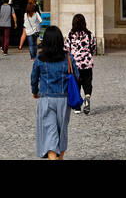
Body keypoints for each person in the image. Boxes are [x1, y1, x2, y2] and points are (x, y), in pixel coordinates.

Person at [30, 26, 72, 160]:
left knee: (50, 133)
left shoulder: (40, 58)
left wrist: (34, 91)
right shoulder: (67, 57)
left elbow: (34, 77)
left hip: (46, 99)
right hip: (64, 99)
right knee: (61, 132)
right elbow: (76, 76)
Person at [65, 13, 95, 114]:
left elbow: (66, 49)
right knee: (87, 83)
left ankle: (77, 107)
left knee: (76, 85)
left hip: (75, 65)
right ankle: (87, 97)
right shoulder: (90, 34)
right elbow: (93, 48)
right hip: (87, 64)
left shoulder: (70, 35)